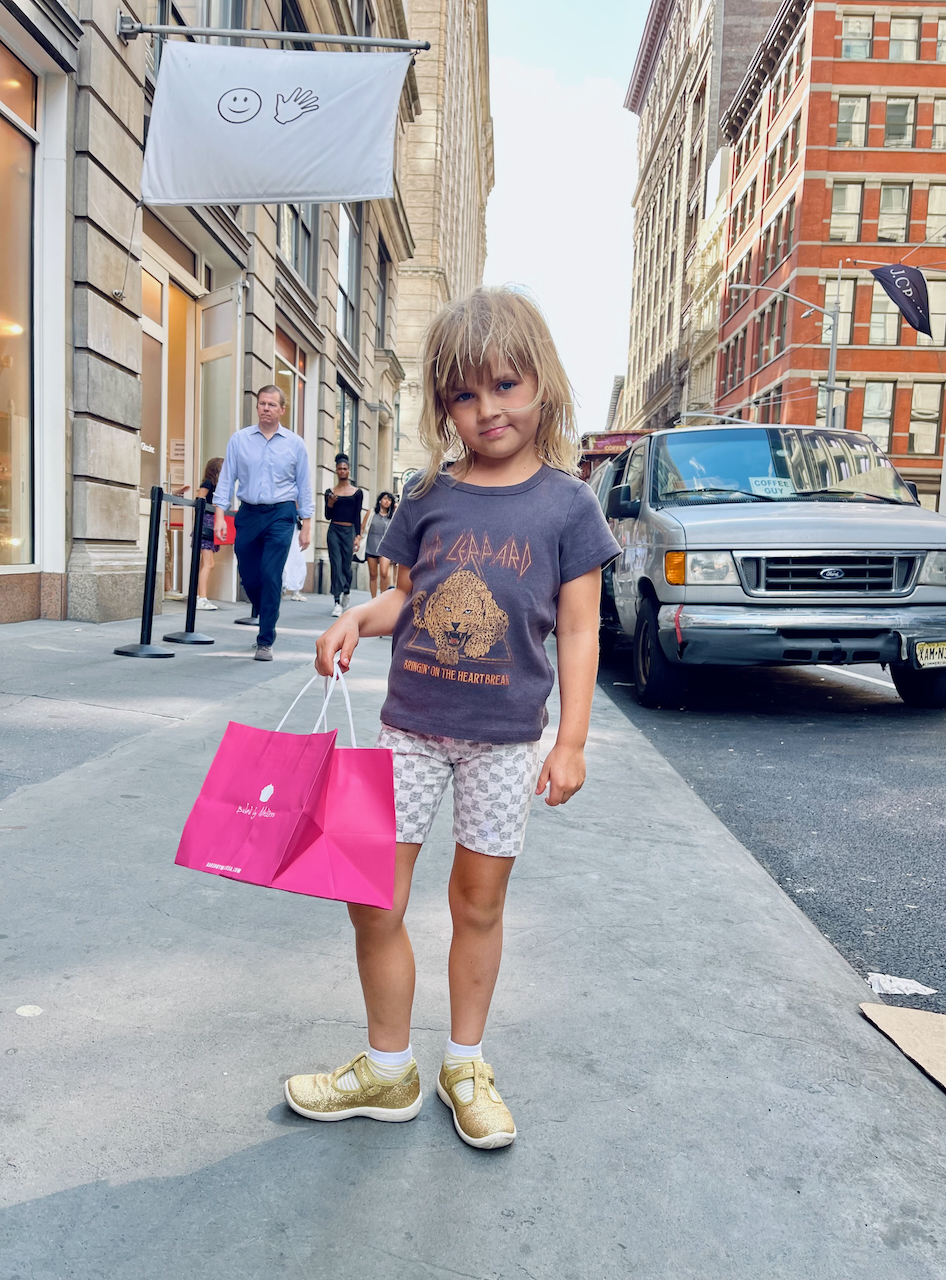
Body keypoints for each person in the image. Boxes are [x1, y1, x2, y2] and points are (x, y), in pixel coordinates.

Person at [284, 287, 621, 1149]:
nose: (488, 409)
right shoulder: (429, 493)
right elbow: (409, 599)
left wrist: (572, 740)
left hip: (505, 745)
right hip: (409, 729)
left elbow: (580, 629)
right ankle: (387, 1066)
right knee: (371, 898)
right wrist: (357, 619)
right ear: (443, 406)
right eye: (464, 395)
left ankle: (464, 1062)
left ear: (542, 384)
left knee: (478, 904)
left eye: (506, 385)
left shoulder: (569, 505)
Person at [212, 385, 313, 661]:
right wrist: (220, 515)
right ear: (257, 407)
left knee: (270, 574)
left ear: (282, 409)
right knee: (248, 574)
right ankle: (265, 606)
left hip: (281, 513)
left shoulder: (295, 444)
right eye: (262, 403)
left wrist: (306, 524)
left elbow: (304, 485)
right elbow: (226, 479)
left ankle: (265, 640)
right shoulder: (240, 440)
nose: (266, 408)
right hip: (248, 513)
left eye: (272, 404)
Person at [324, 454, 362, 617]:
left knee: (346, 565)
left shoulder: (357, 493)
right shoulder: (330, 492)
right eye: (339, 469)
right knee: (336, 564)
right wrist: (330, 504)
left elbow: (357, 515)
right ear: (336, 471)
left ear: (349, 471)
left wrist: (358, 536)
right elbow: (327, 516)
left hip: (349, 531)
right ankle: (336, 601)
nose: (342, 471)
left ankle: (346, 590)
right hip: (334, 530)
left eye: (345, 468)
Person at [193, 456, 223, 610]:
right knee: (208, 564)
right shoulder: (208, 483)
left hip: (208, 525)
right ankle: (202, 598)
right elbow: (199, 499)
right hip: (206, 525)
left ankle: (200, 596)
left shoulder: (214, 485)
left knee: (205, 564)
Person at [360, 491, 396, 598]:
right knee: (373, 574)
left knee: (384, 573)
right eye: (385, 499)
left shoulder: (393, 516)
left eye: (389, 500)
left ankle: (382, 598)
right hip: (371, 546)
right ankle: (373, 598)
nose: (387, 501)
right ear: (380, 500)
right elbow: (362, 527)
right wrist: (358, 539)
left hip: (385, 547)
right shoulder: (371, 513)